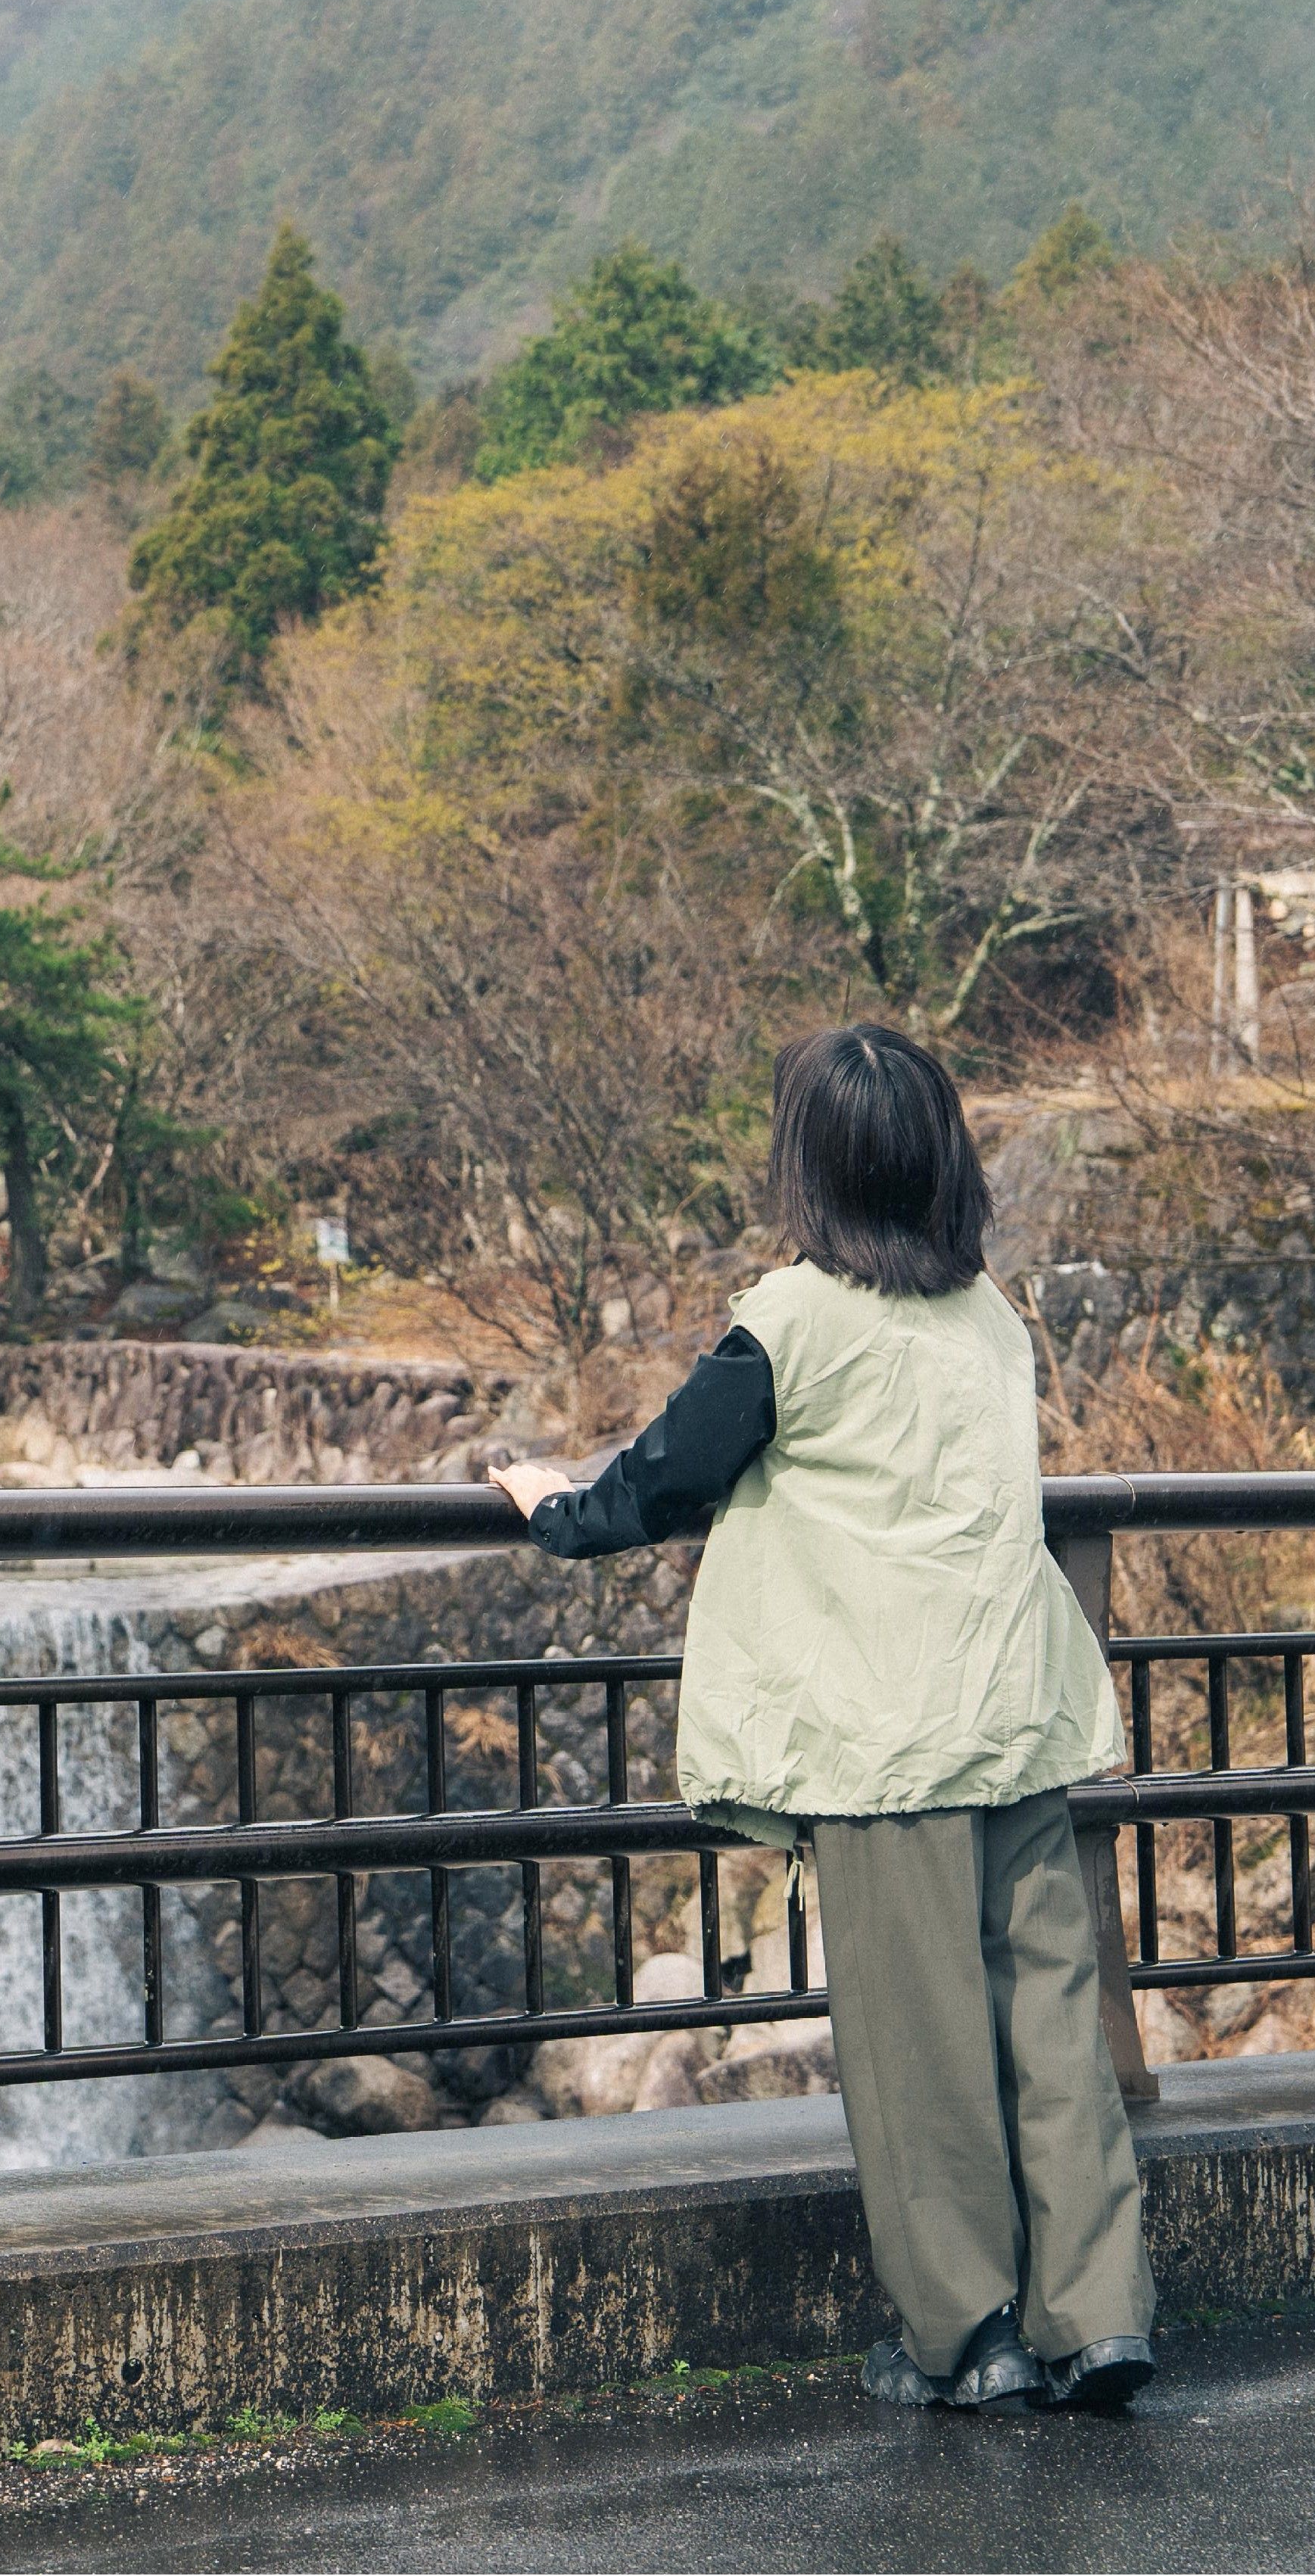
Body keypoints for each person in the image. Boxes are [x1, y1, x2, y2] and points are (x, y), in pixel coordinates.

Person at [488, 1022, 1155, 2416]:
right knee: (1050, 2025)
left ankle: (969, 2336)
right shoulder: (991, 1321)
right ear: (940, 1163)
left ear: (816, 1169)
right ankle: (1098, 2317)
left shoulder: (786, 1321)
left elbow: (664, 1481)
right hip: (1016, 1712)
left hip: (882, 1738)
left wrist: (553, 1507)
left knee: (917, 2054)